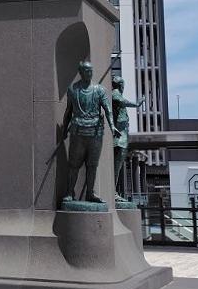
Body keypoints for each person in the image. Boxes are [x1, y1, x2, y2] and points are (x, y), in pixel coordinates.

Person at [61, 60, 118, 204]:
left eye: (91, 70)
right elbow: (68, 112)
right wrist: (64, 130)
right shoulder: (73, 89)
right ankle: (69, 192)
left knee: (92, 165)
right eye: (86, 70)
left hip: (95, 132)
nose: (90, 72)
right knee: (74, 164)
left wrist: (113, 126)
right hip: (78, 131)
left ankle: (90, 193)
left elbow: (108, 110)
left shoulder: (99, 90)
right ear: (80, 72)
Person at [111, 76, 145, 200]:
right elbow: (121, 101)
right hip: (119, 138)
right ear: (121, 86)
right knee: (116, 166)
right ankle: (113, 192)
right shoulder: (115, 94)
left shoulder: (116, 95)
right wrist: (137, 103)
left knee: (118, 166)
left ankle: (114, 192)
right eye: (123, 86)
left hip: (122, 136)